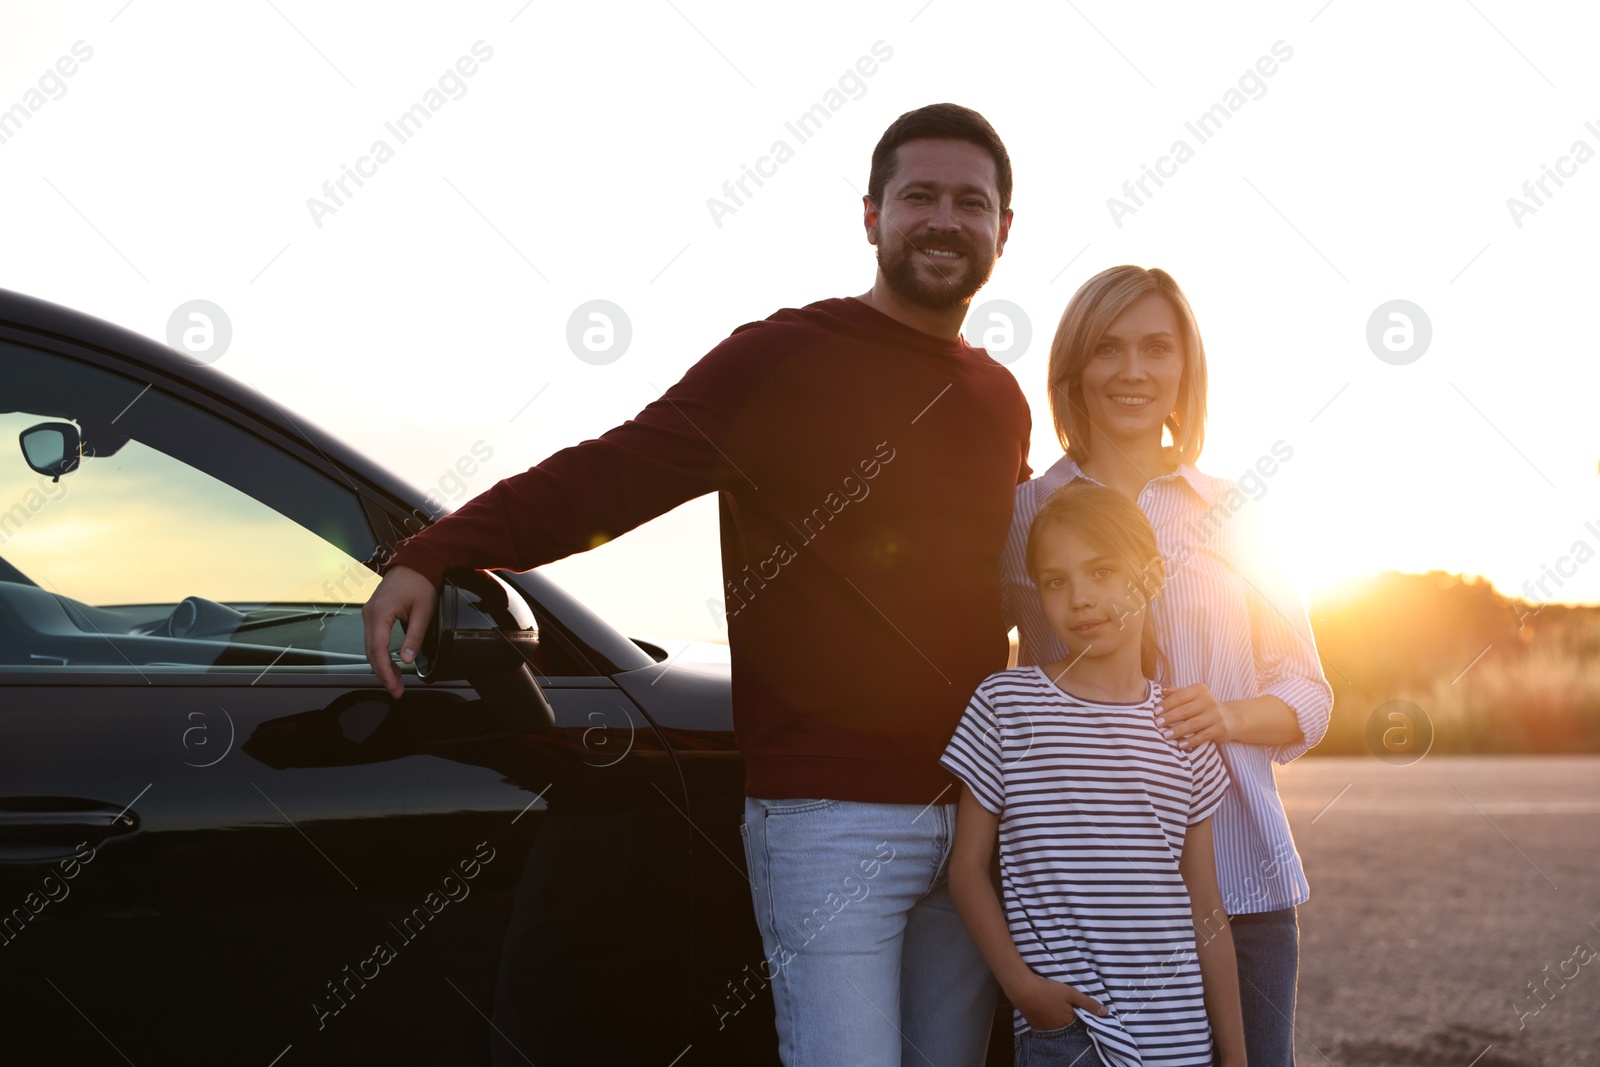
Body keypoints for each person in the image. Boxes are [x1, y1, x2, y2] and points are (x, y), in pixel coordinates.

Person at [362, 102, 1031, 1065]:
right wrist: (435, 550)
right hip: (827, 819)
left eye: (971, 203)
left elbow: (1030, 588)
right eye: (918, 195)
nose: (944, 219)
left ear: (1003, 230)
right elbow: (615, 473)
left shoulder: (999, 400)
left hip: (970, 816)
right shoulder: (783, 357)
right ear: (872, 215)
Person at [1002, 264, 1332, 1066]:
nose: (1134, 370)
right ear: (1074, 369)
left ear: (1186, 367)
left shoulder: (1236, 509)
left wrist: (1225, 714)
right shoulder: (1025, 512)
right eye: (1108, 348)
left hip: (1241, 882)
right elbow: (1013, 686)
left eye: (1157, 347)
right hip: (1089, 895)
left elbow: (1310, 694)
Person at [944, 482, 1248, 1067]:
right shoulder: (1007, 703)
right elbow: (966, 869)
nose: (1080, 598)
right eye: (1056, 581)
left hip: (1183, 1044)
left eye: (1102, 571)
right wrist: (1023, 989)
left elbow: (1205, 906)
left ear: (1152, 577)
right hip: (1071, 1035)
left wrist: (1234, 1058)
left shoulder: (1183, 727)